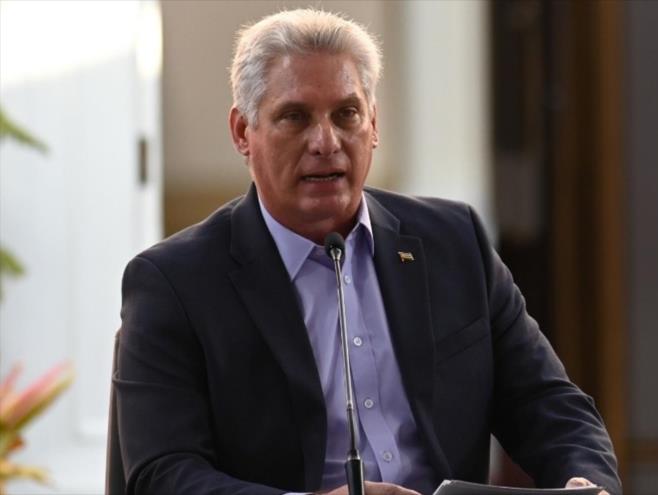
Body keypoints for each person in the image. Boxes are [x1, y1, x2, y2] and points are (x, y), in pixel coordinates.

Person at [114, 8, 620, 495]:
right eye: (294, 117)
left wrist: (584, 482)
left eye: (346, 113)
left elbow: (548, 404)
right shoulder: (174, 283)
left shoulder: (454, 241)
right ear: (243, 133)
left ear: (373, 124)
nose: (325, 141)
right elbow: (164, 475)